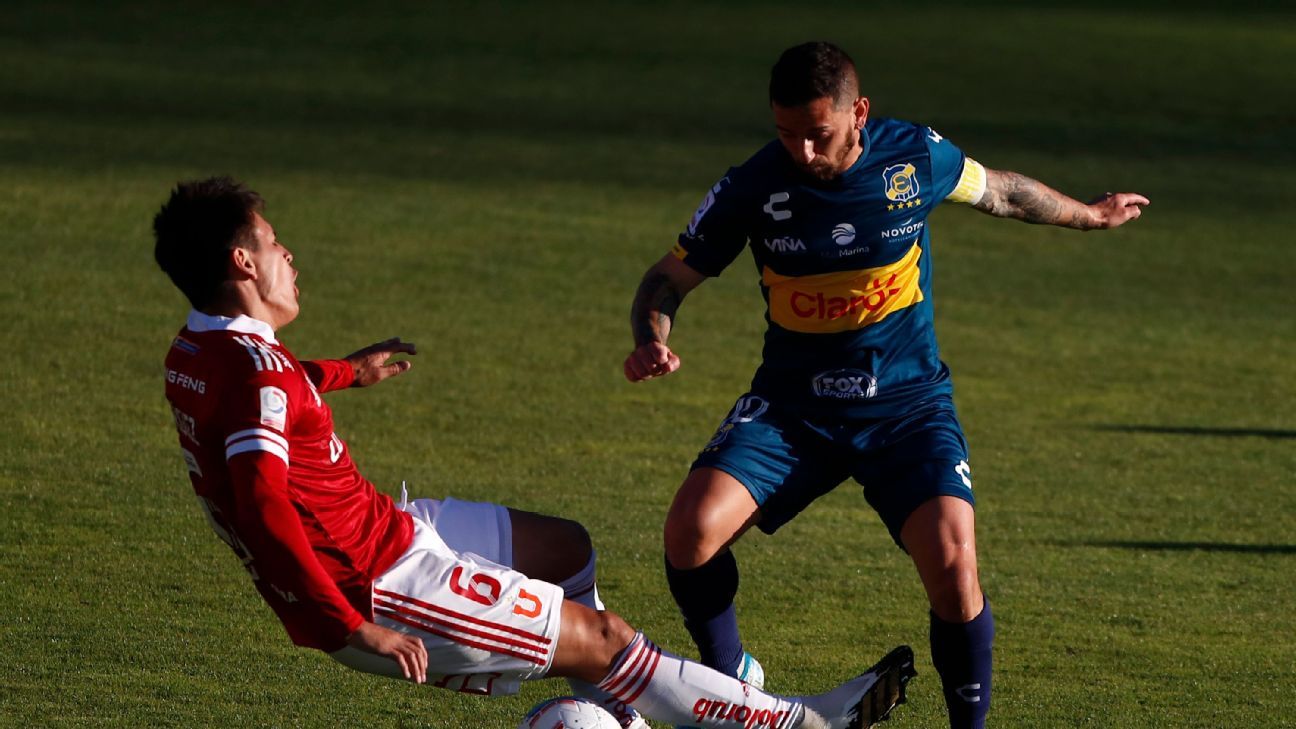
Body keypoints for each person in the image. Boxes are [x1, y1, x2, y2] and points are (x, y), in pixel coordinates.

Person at [155, 176, 918, 729]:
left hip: (385, 532)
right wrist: (352, 626)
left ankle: (626, 713)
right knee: (606, 641)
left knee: (564, 549)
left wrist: (347, 371)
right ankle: (801, 722)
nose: (288, 253)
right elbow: (262, 507)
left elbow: (271, 395)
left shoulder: (195, 352)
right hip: (377, 586)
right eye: (273, 243)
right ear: (243, 263)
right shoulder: (257, 374)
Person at [623, 42, 1149, 729]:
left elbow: (1001, 191)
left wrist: (1091, 215)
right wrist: (652, 338)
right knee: (689, 531)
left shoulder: (914, 158)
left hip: (906, 408)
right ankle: (732, 681)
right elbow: (667, 279)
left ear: (859, 113)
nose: (802, 151)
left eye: (818, 134)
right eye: (786, 133)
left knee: (955, 565)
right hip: (793, 410)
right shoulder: (753, 185)